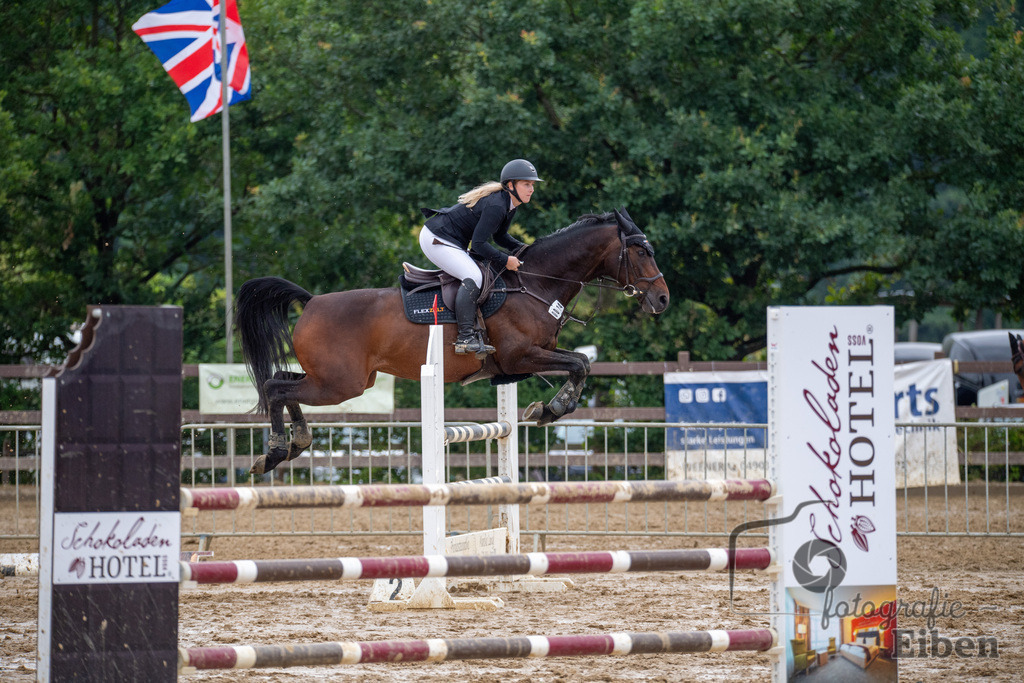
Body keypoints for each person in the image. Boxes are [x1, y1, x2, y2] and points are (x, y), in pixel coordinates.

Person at [419, 159, 542, 355]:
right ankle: (464, 338)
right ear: (510, 185)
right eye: (527, 184)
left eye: (532, 185)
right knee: (474, 276)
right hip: (437, 238)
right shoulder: (497, 206)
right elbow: (478, 244)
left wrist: (525, 249)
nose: (531, 189)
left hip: (450, 239)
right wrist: (505, 260)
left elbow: (499, 236)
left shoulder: (509, 204)